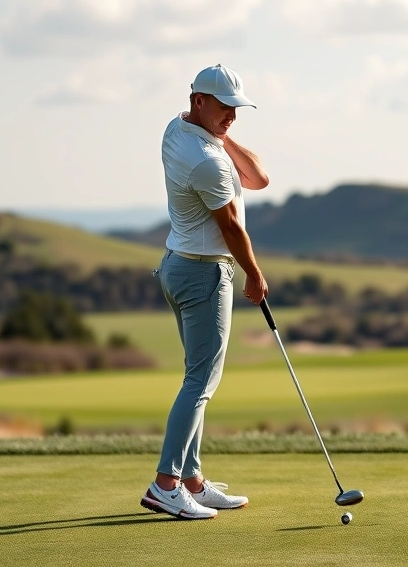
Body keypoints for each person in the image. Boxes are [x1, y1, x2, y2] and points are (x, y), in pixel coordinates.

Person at [140, 64, 270, 520]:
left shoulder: (178, 130)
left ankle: (192, 479)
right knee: (200, 382)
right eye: (223, 108)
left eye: (236, 109)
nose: (232, 116)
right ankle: (165, 484)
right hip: (204, 275)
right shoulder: (206, 161)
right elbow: (232, 227)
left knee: (197, 377)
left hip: (178, 267)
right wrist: (253, 274)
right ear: (198, 101)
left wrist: (221, 133)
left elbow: (258, 178)